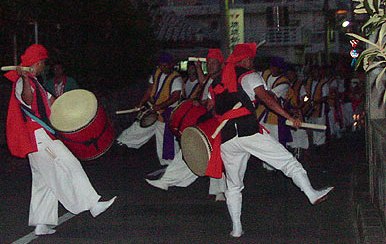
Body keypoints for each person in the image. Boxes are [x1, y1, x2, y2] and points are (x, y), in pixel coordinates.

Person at [207, 43, 333, 238]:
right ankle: (311, 193)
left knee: (233, 185)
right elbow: (267, 99)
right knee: (288, 162)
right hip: (248, 131)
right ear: (246, 60)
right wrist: (289, 117)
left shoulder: (216, 82)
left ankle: (237, 229)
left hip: (227, 138)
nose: (253, 62)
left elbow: (211, 107)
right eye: (251, 59)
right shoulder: (250, 76)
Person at [4, 44, 116, 236]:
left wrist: (73, 108)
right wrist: (23, 76)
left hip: (38, 138)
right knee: (70, 164)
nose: (45, 67)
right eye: (43, 63)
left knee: (43, 181)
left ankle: (41, 222)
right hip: (38, 137)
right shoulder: (23, 83)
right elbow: (28, 101)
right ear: (37, 63)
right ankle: (92, 204)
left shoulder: (35, 82)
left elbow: (52, 102)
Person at [145, 49, 227, 201]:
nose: (210, 65)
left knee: (202, 153)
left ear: (221, 64)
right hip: (208, 121)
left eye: (214, 63)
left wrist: (201, 103)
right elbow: (203, 83)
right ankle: (218, 191)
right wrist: (197, 67)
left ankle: (168, 181)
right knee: (207, 155)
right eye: (208, 63)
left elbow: (218, 102)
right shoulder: (211, 77)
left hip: (216, 122)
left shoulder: (223, 79)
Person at [117, 52, 182, 166]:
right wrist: (141, 103)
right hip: (153, 108)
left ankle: (168, 163)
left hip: (167, 112)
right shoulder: (156, 73)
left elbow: (175, 97)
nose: (163, 67)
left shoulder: (176, 79)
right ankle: (123, 142)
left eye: (166, 65)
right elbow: (149, 90)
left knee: (163, 136)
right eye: (161, 65)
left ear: (171, 64)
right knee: (139, 126)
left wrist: (160, 107)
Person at [255, 56, 292, 170]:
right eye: (271, 66)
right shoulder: (265, 74)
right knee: (262, 141)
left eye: (275, 67)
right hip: (260, 114)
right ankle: (265, 165)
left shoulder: (284, 83)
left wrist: (258, 91)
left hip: (274, 117)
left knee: (274, 142)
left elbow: (270, 96)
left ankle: (275, 167)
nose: (273, 69)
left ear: (280, 69)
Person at [301, 65, 330, 147]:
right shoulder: (309, 81)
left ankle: (320, 144)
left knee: (320, 127)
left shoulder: (323, 83)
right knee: (312, 125)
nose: (314, 74)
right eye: (313, 72)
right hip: (309, 107)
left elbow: (325, 97)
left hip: (319, 108)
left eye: (316, 72)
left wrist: (316, 102)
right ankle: (314, 142)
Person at [285, 65, 309, 159]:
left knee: (300, 130)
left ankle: (300, 150)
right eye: (288, 74)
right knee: (291, 131)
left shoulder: (300, 85)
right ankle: (292, 149)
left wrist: (299, 106)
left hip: (297, 111)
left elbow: (305, 98)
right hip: (288, 111)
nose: (289, 76)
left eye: (291, 74)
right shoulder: (286, 84)